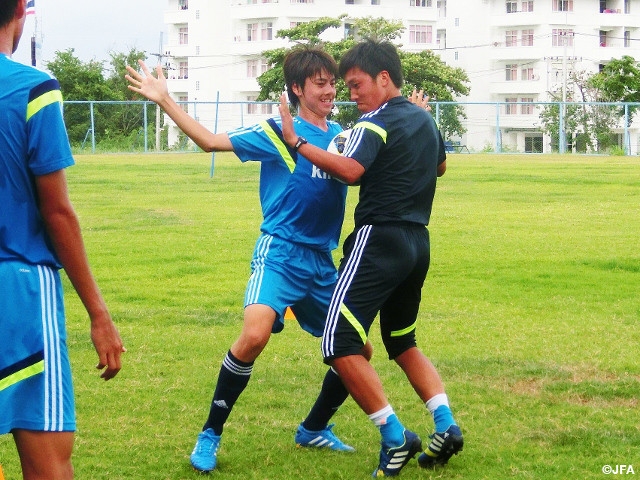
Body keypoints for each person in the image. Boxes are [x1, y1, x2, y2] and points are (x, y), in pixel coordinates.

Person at [125, 46, 375, 473]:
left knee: (359, 350)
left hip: (321, 262)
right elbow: (208, 141)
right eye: (320, 84)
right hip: (279, 252)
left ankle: (313, 428)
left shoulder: (340, 136)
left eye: (332, 83)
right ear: (297, 89)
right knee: (255, 335)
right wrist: (165, 99)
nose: (330, 90)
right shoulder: (276, 131)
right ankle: (210, 434)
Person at [278, 39, 463, 477]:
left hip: (378, 240)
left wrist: (296, 141)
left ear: (384, 79)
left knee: (337, 342)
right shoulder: (424, 120)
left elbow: (352, 171)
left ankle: (394, 436)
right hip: (419, 243)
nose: (352, 95)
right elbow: (439, 166)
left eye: (357, 85)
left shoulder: (372, 122)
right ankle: (446, 424)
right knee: (402, 342)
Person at [0, 1, 126, 479]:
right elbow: (56, 210)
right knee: (49, 463)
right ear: (20, 11)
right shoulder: (33, 88)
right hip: (19, 292)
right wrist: (98, 312)